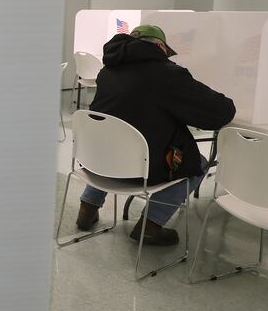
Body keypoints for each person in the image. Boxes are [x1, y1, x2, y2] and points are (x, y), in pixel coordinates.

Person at [75, 24, 235, 246]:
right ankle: (150, 226)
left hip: (99, 162)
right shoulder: (168, 74)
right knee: (197, 165)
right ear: (160, 46)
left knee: (112, 145)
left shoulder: (107, 72)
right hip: (139, 169)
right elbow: (218, 112)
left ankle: (87, 208)